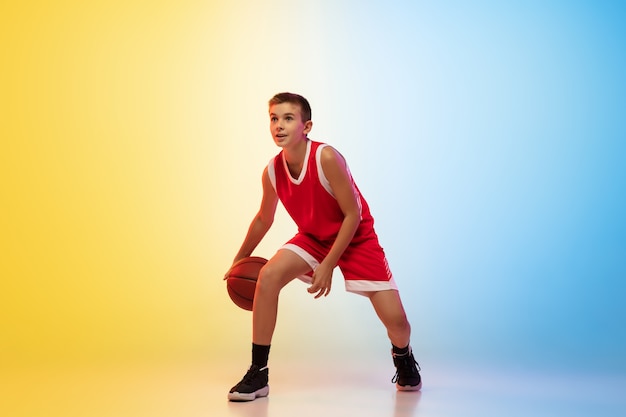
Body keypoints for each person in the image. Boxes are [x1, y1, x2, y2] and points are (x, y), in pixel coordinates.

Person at [227, 92, 421, 401]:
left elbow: (352, 214)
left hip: (356, 237)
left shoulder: (326, 157)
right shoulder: (272, 171)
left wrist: (329, 263)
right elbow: (264, 218)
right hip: (314, 237)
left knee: (398, 323)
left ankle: (403, 355)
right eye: (274, 119)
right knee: (268, 276)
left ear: (307, 126)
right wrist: (240, 260)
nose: (279, 125)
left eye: (288, 118)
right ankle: (258, 373)